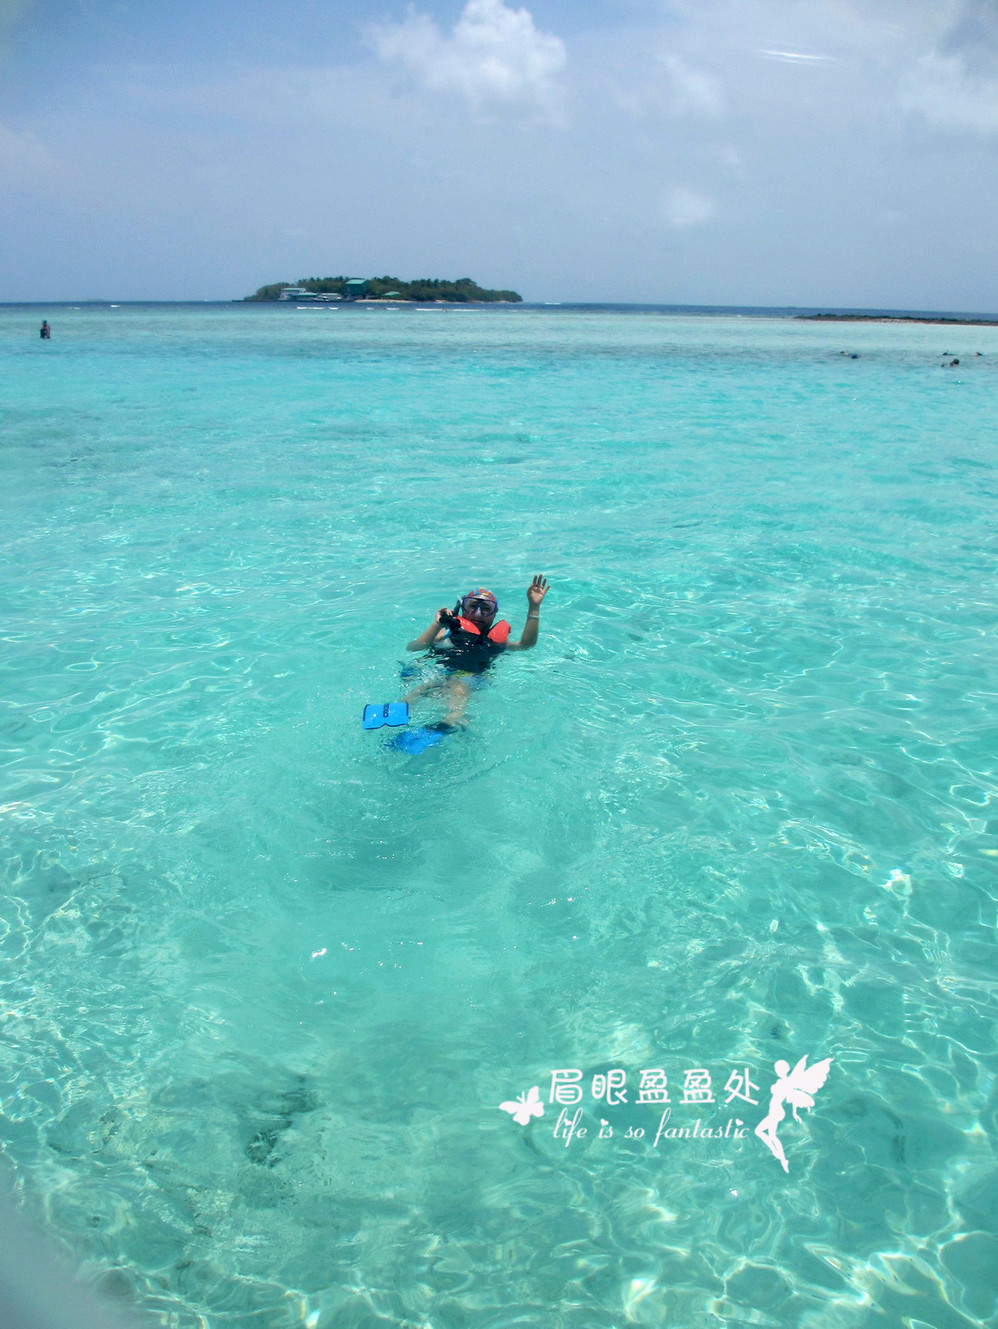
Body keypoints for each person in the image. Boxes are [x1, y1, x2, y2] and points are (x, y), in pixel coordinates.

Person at [404, 575, 549, 727]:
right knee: (422, 688)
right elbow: (414, 648)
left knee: (458, 687)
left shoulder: (494, 642)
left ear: (494, 614)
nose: (478, 613)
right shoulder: (447, 634)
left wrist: (534, 607)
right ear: (462, 608)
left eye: (486, 609)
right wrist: (436, 625)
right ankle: (400, 707)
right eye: (472, 606)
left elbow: (526, 645)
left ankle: (450, 721)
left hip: (472, 679)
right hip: (441, 673)